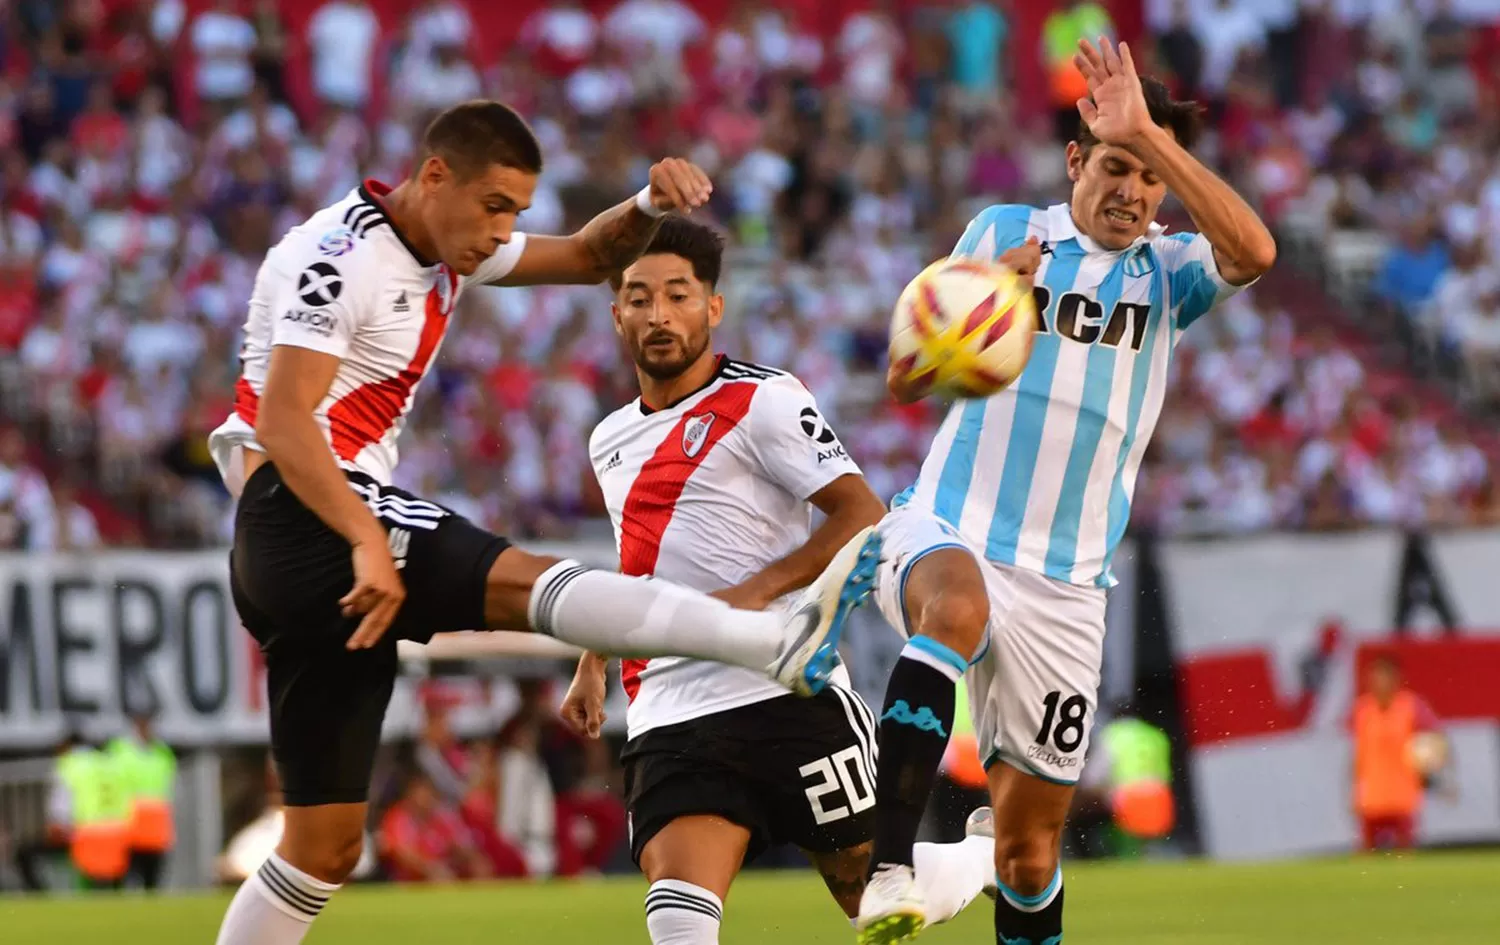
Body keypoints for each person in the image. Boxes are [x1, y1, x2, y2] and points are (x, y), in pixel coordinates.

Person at [207, 100, 881, 945]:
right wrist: (363, 536)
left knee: (322, 848)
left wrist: (647, 206)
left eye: (517, 213)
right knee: (526, 576)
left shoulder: (444, 245)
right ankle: (765, 642)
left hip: (309, 558)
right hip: (305, 513)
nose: (504, 231)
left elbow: (593, 254)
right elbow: (283, 419)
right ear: (435, 175)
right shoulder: (338, 255)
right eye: (496, 207)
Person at [855, 38, 1277, 945]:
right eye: (1117, 165)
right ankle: (889, 865)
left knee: (1029, 852)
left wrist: (1153, 139)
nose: (1133, 191)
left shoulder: (1169, 272)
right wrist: (984, 302)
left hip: (1068, 585)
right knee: (955, 608)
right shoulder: (1004, 230)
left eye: (1150, 177)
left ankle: (974, 865)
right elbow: (903, 376)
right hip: (949, 522)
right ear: (1076, 159)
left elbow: (1256, 251)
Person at [560, 219, 993, 945]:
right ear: (617, 314)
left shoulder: (764, 401)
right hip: (671, 706)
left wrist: (753, 595)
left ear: (713, 308)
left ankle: (981, 850)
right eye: (639, 298)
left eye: (678, 295)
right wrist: (591, 657)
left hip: (788, 691)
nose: (659, 314)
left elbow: (858, 509)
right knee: (678, 922)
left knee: (879, 902)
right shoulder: (608, 437)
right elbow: (643, 556)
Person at [1351, 654, 1441, 852]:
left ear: (1396, 678)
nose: (1380, 682)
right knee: (1367, 856)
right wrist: (1354, 789)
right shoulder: (1363, 709)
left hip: (1403, 793)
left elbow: (1432, 739)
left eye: (1384, 676)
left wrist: (1428, 766)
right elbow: (1359, 752)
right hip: (1371, 795)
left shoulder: (1412, 706)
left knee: (1404, 853)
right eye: (1375, 677)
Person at [106, 712, 177, 890]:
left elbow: (169, 788)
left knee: (152, 879)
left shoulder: (163, 753)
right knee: (122, 876)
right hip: (129, 824)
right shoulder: (120, 750)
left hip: (155, 826)